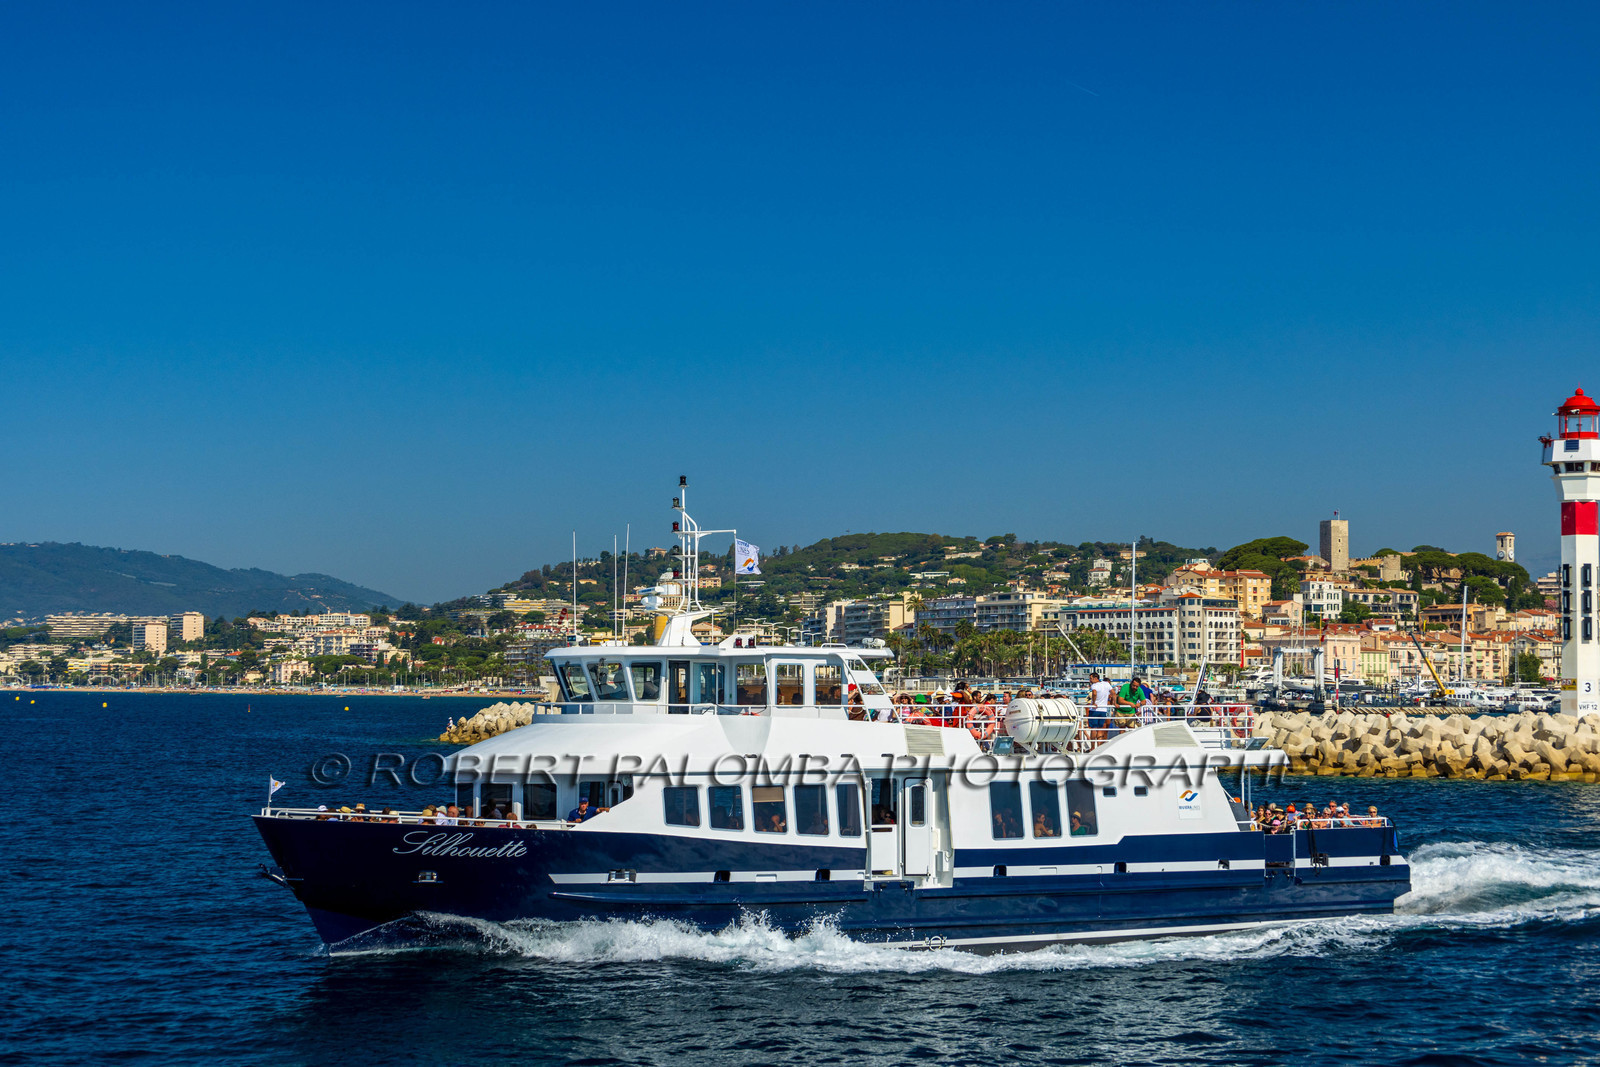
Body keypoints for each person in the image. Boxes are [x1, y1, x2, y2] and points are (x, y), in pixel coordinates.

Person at [1086, 672, 1114, 743]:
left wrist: (1094, 702)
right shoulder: (1106, 684)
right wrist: (1115, 703)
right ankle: (1099, 746)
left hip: (1094, 710)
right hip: (1103, 710)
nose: (1090, 680)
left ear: (1095, 678)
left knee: (1093, 729)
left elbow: (1094, 693)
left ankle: (1092, 747)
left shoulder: (1094, 685)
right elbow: (1113, 693)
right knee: (1100, 729)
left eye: (1091, 678)